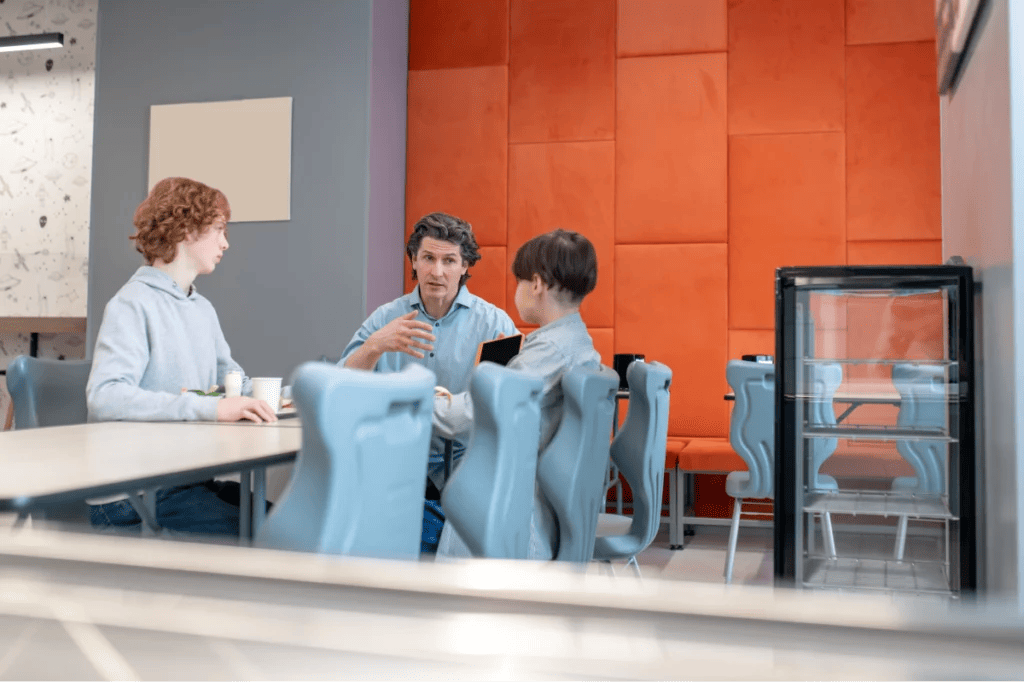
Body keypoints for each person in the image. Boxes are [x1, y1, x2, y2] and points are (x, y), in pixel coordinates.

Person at [86, 177, 277, 536]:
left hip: (185, 481)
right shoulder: (131, 304)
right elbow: (105, 396)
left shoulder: (201, 308)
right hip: (131, 494)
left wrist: (290, 397)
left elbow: (234, 379)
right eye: (219, 230)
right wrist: (209, 408)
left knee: (285, 521)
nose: (225, 243)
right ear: (187, 230)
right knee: (271, 534)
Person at [436, 228, 601, 560]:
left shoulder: (551, 351)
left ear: (536, 284)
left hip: (515, 510)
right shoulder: (576, 343)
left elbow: (464, 417)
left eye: (520, 282)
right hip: (541, 503)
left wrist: (418, 395)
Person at [339, 211, 517, 490]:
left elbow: (510, 409)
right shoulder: (385, 318)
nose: (437, 272)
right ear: (413, 260)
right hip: (391, 460)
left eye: (449, 261)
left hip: (467, 465)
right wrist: (374, 346)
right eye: (428, 258)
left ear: (465, 265)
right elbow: (342, 387)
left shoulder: (495, 324)